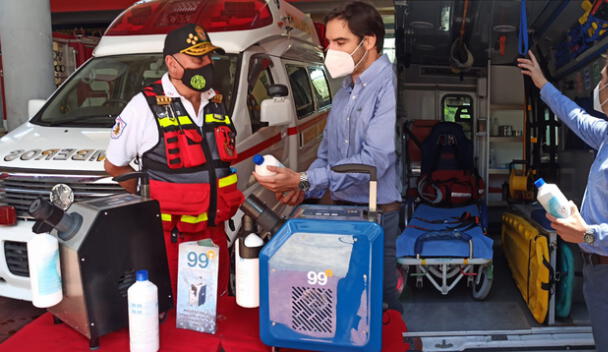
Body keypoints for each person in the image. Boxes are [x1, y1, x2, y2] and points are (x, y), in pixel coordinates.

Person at [253, 1, 403, 313]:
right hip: (342, 213)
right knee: (344, 301)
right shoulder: (345, 92)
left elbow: (374, 160)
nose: (330, 50)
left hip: (375, 217)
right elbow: (326, 155)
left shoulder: (387, 86)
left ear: (369, 41)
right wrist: (303, 186)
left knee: (380, 304)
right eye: (328, 42)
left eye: (340, 42)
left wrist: (305, 178)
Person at [104, 23, 244, 298]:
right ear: (172, 63)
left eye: (208, 57)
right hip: (172, 238)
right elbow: (114, 165)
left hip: (214, 234)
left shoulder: (215, 102)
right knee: (176, 319)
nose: (206, 65)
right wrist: (150, 198)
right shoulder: (144, 106)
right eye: (197, 58)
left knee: (215, 308)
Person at [518, 49, 608, 351]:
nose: (597, 89)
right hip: (604, 275)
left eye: (601, 81)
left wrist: (586, 233)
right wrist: (542, 83)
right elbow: (576, 117)